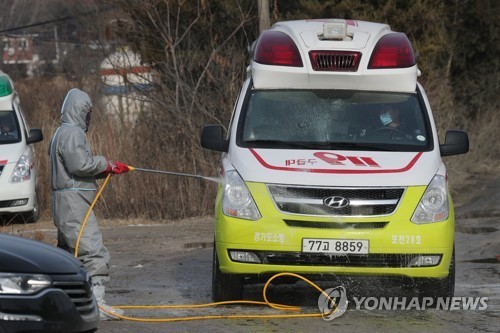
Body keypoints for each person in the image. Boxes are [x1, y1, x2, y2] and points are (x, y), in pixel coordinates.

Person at [49, 88, 129, 321]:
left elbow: (78, 169)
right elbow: (80, 165)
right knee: (93, 251)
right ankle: (97, 304)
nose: (88, 118)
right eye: (87, 112)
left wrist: (108, 169)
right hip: (73, 204)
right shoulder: (72, 133)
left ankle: (63, 302)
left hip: (66, 202)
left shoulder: (61, 133)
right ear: (79, 111)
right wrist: (106, 163)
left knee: (67, 256)